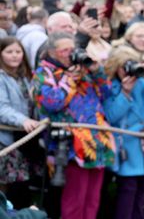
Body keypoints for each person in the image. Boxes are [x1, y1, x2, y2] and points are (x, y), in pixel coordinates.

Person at [32, 32, 116, 219]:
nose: (71, 54)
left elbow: (107, 93)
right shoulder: (43, 74)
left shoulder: (84, 69)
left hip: (97, 141)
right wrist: (69, 80)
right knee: (74, 200)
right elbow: (52, 103)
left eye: (73, 49)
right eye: (65, 50)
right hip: (69, 145)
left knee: (92, 199)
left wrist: (96, 70)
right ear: (53, 52)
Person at [103, 45, 144, 219]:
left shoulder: (142, 82)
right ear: (116, 67)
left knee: (140, 190)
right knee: (127, 190)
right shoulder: (110, 87)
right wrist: (125, 93)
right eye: (124, 66)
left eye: (131, 65)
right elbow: (111, 116)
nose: (128, 70)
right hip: (125, 145)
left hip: (143, 145)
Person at [0, 37, 39, 208]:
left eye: (18, 52)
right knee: (8, 183)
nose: (15, 56)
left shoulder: (24, 77)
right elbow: (2, 108)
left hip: (24, 139)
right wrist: (23, 120)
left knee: (21, 185)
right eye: (9, 52)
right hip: (6, 140)